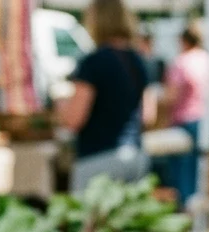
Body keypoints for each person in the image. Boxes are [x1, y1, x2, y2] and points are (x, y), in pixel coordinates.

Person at [56, 0, 149, 190]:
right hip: (135, 155)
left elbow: (74, 119)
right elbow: (148, 115)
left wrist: (62, 107)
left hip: (99, 159)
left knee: (87, 219)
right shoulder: (138, 61)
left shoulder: (94, 62)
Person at [163, 24, 209, 206]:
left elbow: (171, 96)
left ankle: (183, 207)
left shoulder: (181, 62)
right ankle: (193, 204)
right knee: (197, 168)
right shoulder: (208, 60)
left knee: (181, 171)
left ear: (183, 41)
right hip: (204, 120)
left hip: (184, 120)